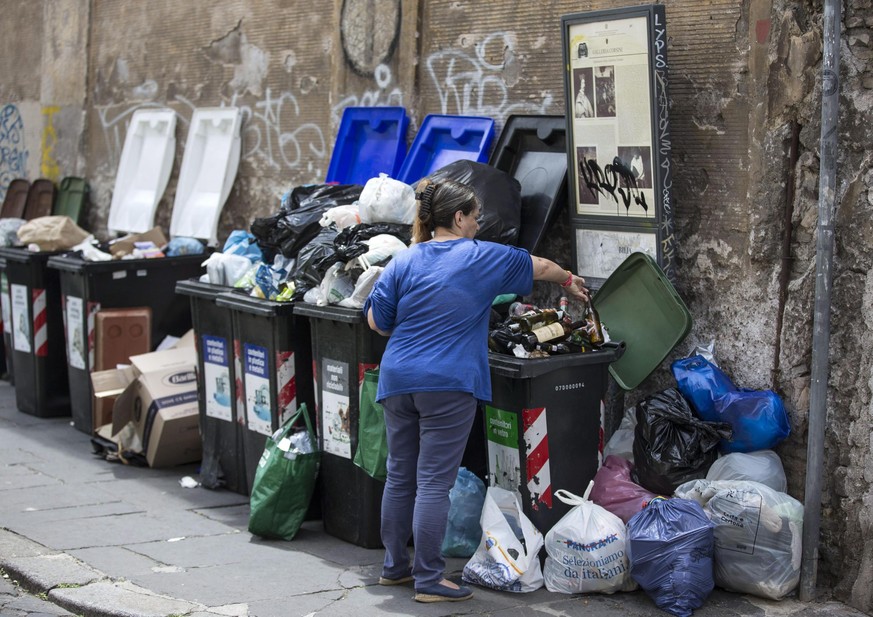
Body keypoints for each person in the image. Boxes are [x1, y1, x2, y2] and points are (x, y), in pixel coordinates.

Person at [363, 179, 589, 603]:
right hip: (447, 382)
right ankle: (429, 580)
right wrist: (569, 280)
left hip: (397, 379)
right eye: (475, 216)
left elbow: (378, 321)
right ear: (458, 218)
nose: (479, 224)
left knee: (400, 476)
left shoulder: (403, 260)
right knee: (432, 482)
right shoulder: (481, 257)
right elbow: (539, 267)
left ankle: (394, 568)